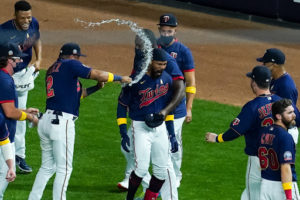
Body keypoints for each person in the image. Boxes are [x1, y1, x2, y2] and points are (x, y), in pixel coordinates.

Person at [28, 42, 131, 200]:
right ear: (71, 56)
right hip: (61, 123)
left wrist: (96, 88)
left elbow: (76, 94)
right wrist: (120, 78)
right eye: (77, 57)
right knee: (65, 168)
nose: (77, 59)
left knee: (47, 167)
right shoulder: (70, 64)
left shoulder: (53, 69)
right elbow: (98, 74)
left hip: (46, 121)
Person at [117, 29, 184, 200]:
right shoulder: (140, 65)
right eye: (136, 45)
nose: (137, 47)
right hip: (140, 124)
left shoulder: (167, 69)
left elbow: (180, 90)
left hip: (163, 119)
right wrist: (123, 131)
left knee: (163, 169)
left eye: (140, 45)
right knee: (140, 167)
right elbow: (122, 103)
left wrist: (170, 130)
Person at [205, 66, 281, 200]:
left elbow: (235, 131)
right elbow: (295, 121)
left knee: (252, 195)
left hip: (258, 160)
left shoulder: (252, 107)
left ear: (254, 82)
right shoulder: (282, 102)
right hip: (278, 159)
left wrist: (218, 138)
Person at [0, 0, 42, 173]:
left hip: (23, 73)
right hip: (6, 75)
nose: (27, 21)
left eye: (29, 17)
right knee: (7, 113)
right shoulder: (3, 31)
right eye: (23, 18)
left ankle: (19, 156)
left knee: (18, 116)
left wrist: (39, 59)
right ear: (15, 16)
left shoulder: (33, 23)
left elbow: (36, 37)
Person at [157, 13, 196, 187]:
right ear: (159, 29)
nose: (166, 34)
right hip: (156, 101)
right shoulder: (153, 47)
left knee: (173, 141)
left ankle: (176, 175)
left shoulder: (183, 51)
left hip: (177, 107)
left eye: (170, 31)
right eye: (163, 31)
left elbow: (191, 82)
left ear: (175, 30)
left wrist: (189, 107)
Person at [0, 42, 39, 199]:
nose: (20, 62)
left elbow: (4, 107)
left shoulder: (3, 77)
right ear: (9, 60)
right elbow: (9, 112)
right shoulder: (4, 80)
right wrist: (30, 117)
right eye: (17, 59)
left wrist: (23, 111)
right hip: (3, 139)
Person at [258, 98, 300, 200]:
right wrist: (289, 197)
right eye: (289, 113)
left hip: (265, 185)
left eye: (293, 112)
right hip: (281, 187)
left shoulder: (265, 132)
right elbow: (285, 168)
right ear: (278, 116)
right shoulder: (285, 137)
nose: (294, 115)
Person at [257, 48, 299, 144]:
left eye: (265, 63)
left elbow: (289, 115)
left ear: (274, 64)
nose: (262, 66)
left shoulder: (286, 86)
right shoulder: (274, 80)